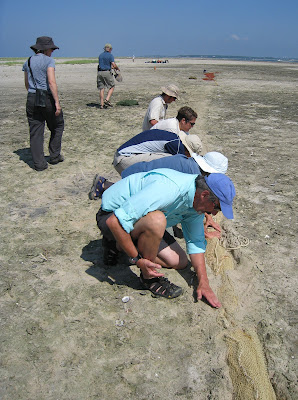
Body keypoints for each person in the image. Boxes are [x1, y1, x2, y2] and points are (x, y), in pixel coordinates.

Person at [96, 170, 235, 307]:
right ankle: (148, 277)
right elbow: (114, 221)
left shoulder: (196, 202)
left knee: (179, 261)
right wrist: (137, 260)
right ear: (204, 195)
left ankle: (118, 246)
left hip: (138, 221)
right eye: (217, 207)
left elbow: (195, 242)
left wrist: (204, 282)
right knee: (157, 220)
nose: (215, 213)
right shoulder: (169, 189)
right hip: (111, 216)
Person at [90, 151, 228, 239]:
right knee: (154, 213)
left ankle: (106, 186)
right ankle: (120, 241)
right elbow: (194, 198)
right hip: (134, 177)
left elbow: (197, 197)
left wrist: (207, 215)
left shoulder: (191, 164)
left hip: (139, 175)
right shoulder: (192, 173)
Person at [22, 36, 64, 171]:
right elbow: (51, 82)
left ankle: (39, 164)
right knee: (57, 125)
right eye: (51, 49)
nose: (52, 51)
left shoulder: (27, 62)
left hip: (32, 97)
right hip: (46, 97)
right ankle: (54, 156)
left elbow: (27, 84)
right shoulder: (49, 61)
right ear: (46, 49)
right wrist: (57, 102)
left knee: (36, 131)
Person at [112, 129, 202, 174]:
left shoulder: (174, 138)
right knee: (169, 162)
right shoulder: (177, 146)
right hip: (123, 160)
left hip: (121, 155)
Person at [97, 43, 120, 109]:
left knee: (101, 88)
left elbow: (103, 64)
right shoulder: (110, 55)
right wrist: (117, 68)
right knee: (112, 86)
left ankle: (101, 105)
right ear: (110, 49)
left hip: (99, 72)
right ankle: (106, 100)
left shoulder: (100, 55)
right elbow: (113, 64)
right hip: (106, 72)